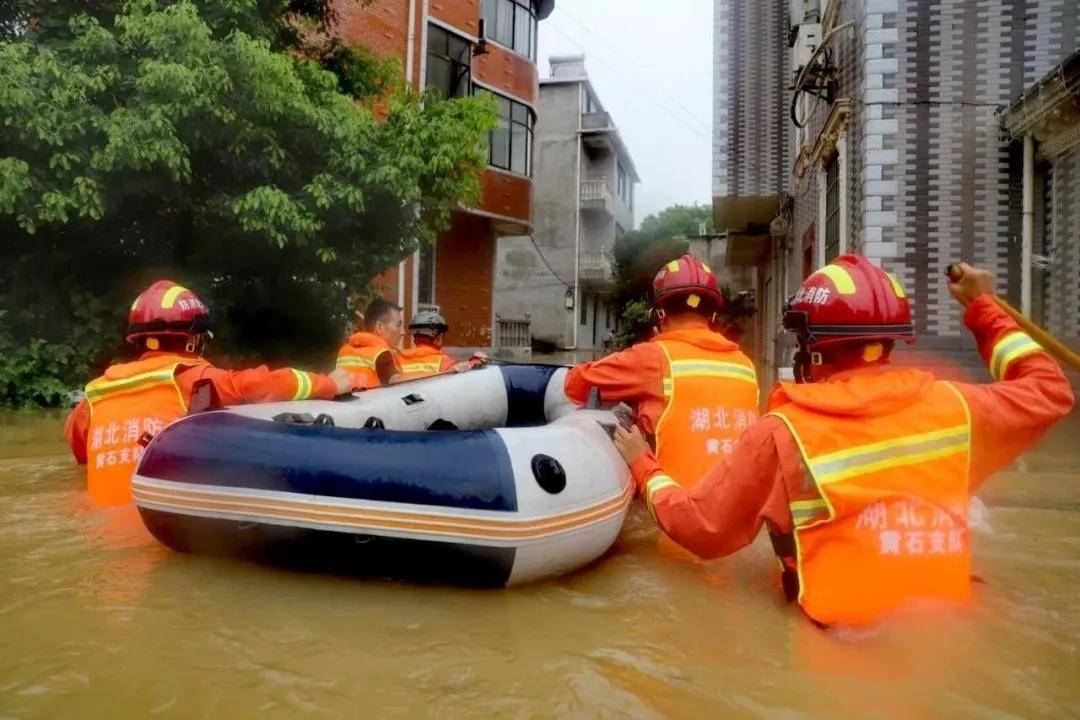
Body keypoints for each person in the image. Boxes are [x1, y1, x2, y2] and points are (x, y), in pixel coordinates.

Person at [614, 256, 1075, 627]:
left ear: (812, 345)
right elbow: (1050, 389)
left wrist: (643, 464)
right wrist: (983, 308)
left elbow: (701, 528)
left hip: (834, 646)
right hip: (948, 626)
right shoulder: (960, 409)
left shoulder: (781, 433)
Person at [65, 280, 352, 506]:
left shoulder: (95, 395)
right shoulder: (192, 379)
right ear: (194, 340)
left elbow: (80, 452)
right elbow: (263, 385)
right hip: (161, 529)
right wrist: (330, 384)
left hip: (101, 532)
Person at [565, 254, 759, 488]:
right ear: (713, 315)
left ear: (660, 313)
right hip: (741, 507)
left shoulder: (653, 357)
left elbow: (575, 384)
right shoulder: (745, 364)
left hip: (678, 508)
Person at [336, 298, 404, 389]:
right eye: (398, 325)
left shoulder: (344, 351)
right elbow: (401, 388)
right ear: (380, 327)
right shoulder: (383, 355)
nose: (402, 332)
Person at [398, 309, 481, 380]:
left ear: (415, 337)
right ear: (439, 338)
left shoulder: (398, 359)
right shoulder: (444, 362)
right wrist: (477, 360)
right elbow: (464, 370)